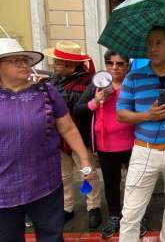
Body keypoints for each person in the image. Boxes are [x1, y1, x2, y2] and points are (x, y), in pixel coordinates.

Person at [0, 38, 93, 241]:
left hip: (44, 184)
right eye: (15, 61)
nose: (24, 64)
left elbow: (68, 128)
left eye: (25, 59)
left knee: (52, 237)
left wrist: (84, 159)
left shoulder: (46, 92)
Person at [116, 26, 165, 242]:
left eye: (159, 43)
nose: (153, 48)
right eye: (150, 43)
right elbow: (121, 114)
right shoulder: (134, 76)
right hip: (144, 150)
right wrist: (147, 115)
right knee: (132, 210)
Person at [74, 50, 140, 238]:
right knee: (111, 184)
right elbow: (78, 111)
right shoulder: (97, 86)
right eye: (110, 63)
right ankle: (114, 216)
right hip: (106, 146)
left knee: (135, 183)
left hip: (132, 144)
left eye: (120, 64)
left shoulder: (133, 85)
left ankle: (135, 216)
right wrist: (95, 101)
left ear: (127, 66)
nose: (114, 67)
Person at [44, 41, 102, 228]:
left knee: (89, 173)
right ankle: (67, 207)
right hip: (58, 138)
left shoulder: (87, 81)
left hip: (80, 137)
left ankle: (94, 207)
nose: (54, 65)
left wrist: (50, 91)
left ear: (70, 65)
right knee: (63, 175)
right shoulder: (53, 80)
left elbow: (75, 104)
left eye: (58, 62)